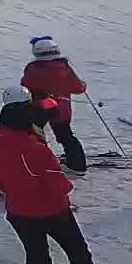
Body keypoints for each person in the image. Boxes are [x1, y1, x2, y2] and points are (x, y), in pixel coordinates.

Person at [0, 87, 129, 264]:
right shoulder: (37, 150)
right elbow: (59, 186)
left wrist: (15, 187)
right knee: (78, 255)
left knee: (36, 256)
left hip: (18, 212)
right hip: (53, 211)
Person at [21, 35, 88, 173]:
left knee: (34, 134)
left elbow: (25, 88)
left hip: (40, 107)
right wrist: (83, 85)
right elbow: (78, 88)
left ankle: (38, 160)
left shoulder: (33, 69)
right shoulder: (64, 67)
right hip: (61, 110)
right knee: (65, 135)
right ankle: (77, 164)